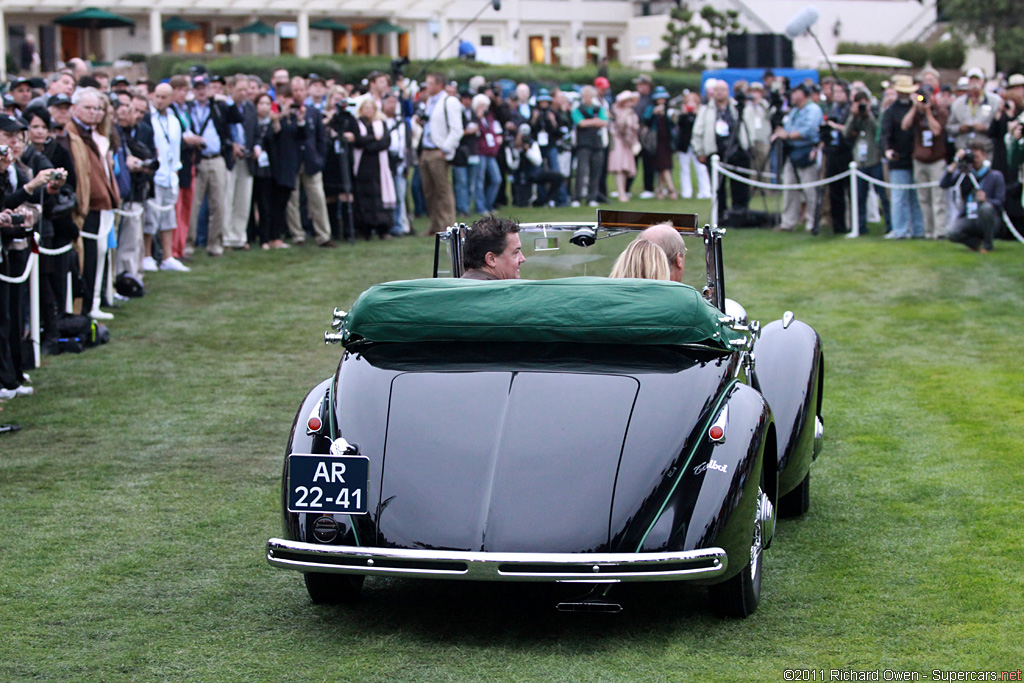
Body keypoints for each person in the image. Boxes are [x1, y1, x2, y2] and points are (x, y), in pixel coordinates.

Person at [67, 87, 121, 319]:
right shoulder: (73, 135)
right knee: (89, 256)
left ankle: (95, 302)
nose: (94, 113)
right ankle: (88, 305)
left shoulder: (97, 135)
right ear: (75, 108)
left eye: (98, 108)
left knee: (100, 254)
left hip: (104, 202)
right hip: (90, 204)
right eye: (88, 108)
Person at [144, 83, 189, 272]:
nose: (160, 100)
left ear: (170, 99)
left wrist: (175, 171)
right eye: (158, 96)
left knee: (168, 218)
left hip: (171, 175)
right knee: (151, 218)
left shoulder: (174, 120)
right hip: (155, 176)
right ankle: (147, 255)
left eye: (164, 97)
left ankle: (167, 256)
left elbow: (176, 148)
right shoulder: (148, 119)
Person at [693, 80, 750, 218]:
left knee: (739, 185)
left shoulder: (737, 108)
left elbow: (747, 127)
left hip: (737, 151)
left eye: (722, 89)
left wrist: (748, 147)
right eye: (717, 89)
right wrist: (700, 151)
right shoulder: (706, 109)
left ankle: (739, 212)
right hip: (715, 152)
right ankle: (720, 214)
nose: (719, 92)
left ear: (728, 91)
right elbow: (697, 132)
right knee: (718, 187)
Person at [771, 84, 823, 232]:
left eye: (796, 93)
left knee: (809, 189)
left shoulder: (813, 110)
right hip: (791, 151)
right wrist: (780, 133)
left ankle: (812, 221)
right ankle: (788, 222)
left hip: (806, 151)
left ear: (804, 94)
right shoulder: (794, 111)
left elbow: (809, 130)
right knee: (789, 187)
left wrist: (787, 135)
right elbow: (788, 128)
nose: (792, 96)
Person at [343, 99, 396, 240]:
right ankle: (364, 228)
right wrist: (374, 139)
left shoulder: (381, 123)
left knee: (380, 195)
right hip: (363, 166)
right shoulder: (356, 123)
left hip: (379, 166)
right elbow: (358, 141)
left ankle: (383, 228)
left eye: (371, 108)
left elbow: (385, 141)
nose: (368, 110)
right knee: (363, 197)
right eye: (365, 107)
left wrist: (370, 143)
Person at [418, 72, 463, 235]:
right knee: (429, 191)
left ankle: (447, 225)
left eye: (429, 83)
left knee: (443, 190)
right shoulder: (429, 101)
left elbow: (456, 129)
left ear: (439, 84)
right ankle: (435, 224)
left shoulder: (449, 101)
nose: (427, 86)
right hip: (426, 150)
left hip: (438, 151)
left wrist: (445, 149)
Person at [940, 139, 1004, 253]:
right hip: (969, 216)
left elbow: (1000, 202)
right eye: (972, 157)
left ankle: (988, 246)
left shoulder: (995, 176)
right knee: (951, 232)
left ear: (985, 156)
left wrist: (986, 199)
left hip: (989, 219)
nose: (974, 160)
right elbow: (944, 184)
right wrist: (955, 162)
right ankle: (975, 244)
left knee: (986, 208)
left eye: (977, 156)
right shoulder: (965, 175)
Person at [902, 82, 949, 239]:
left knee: (938, 198)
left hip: (936, 160)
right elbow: (905, 125)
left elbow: (936, 130)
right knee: (923, 198)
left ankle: (940, 231)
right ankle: (928, 231)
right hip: (920, 160)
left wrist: (928, 110)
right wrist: (915, 107)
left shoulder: (939, 110)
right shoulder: (917, 112)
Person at [881, 75, 925, 239]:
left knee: (916, 197)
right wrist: (887, 150)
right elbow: (885, 134)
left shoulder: (919, 109)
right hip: (899, 159)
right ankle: (899, 230)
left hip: (917, 157)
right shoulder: (891, 111)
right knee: (899, 197)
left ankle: (918, 229)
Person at [846, 89, 892, 235]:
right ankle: (859, 226)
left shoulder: (876, 113)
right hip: (860, 163)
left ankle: (890, 225)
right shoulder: (855, 117)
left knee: (884, 196)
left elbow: (878, 131)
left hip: (875, 160)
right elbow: (846, 133)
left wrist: (868, 115)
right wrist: (854, 117)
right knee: (859, 197)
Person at [570, 85, 608, 208]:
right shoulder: (578, 109)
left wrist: (590, 122)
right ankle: (577, 197)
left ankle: (592, 197)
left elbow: (605, 122)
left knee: (595, 171)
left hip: (597, 144)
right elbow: (580, 123)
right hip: (583, 144)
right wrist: (595, 121)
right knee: (581, 170)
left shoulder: (598, 108)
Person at [460, 216, 525, 280]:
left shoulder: (454, 288)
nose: (522, 259)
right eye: (515, 252)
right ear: (491, 259)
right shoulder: (501, 290)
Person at [675, 91, 711, 200]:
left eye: (693, 102)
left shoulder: (701, 114)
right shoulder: (682, 115)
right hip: (684, 145)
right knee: (684, 168)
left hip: (697, 145)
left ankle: (705, 191)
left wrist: (696, 114)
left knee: (701, 168)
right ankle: (686, 192)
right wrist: (684, 114)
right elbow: (680, 126)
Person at [609, 90, 640, 203]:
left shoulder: (632, 114)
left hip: (628, 143)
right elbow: (618, 127)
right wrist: (624, 116)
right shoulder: (616, 111)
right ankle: (621, 192)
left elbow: (634, 129)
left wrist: (635, 142)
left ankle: (624, 190)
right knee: (619, 168)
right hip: (618, 141)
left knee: (626, 168)